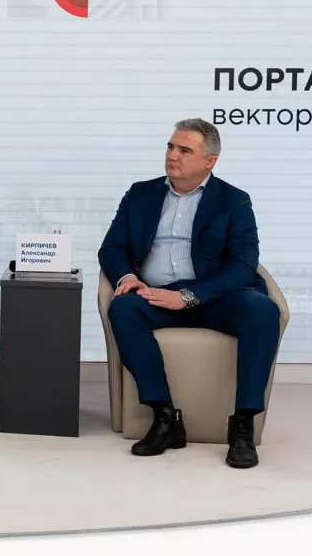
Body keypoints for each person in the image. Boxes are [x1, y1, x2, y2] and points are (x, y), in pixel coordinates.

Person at [99, 118, 280, 469]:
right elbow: (112, 248)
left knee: (262, 310)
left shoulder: (234, 201)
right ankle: (165, 417)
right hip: (155, 294)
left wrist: (188, 296)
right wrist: (129, 277)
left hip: (213, 296)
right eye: (170, 146)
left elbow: (244, 265)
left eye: (184, 150)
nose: (172, 156)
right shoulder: (141, 194)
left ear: (209, 161)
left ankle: (242, 424)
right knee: (123, 308)